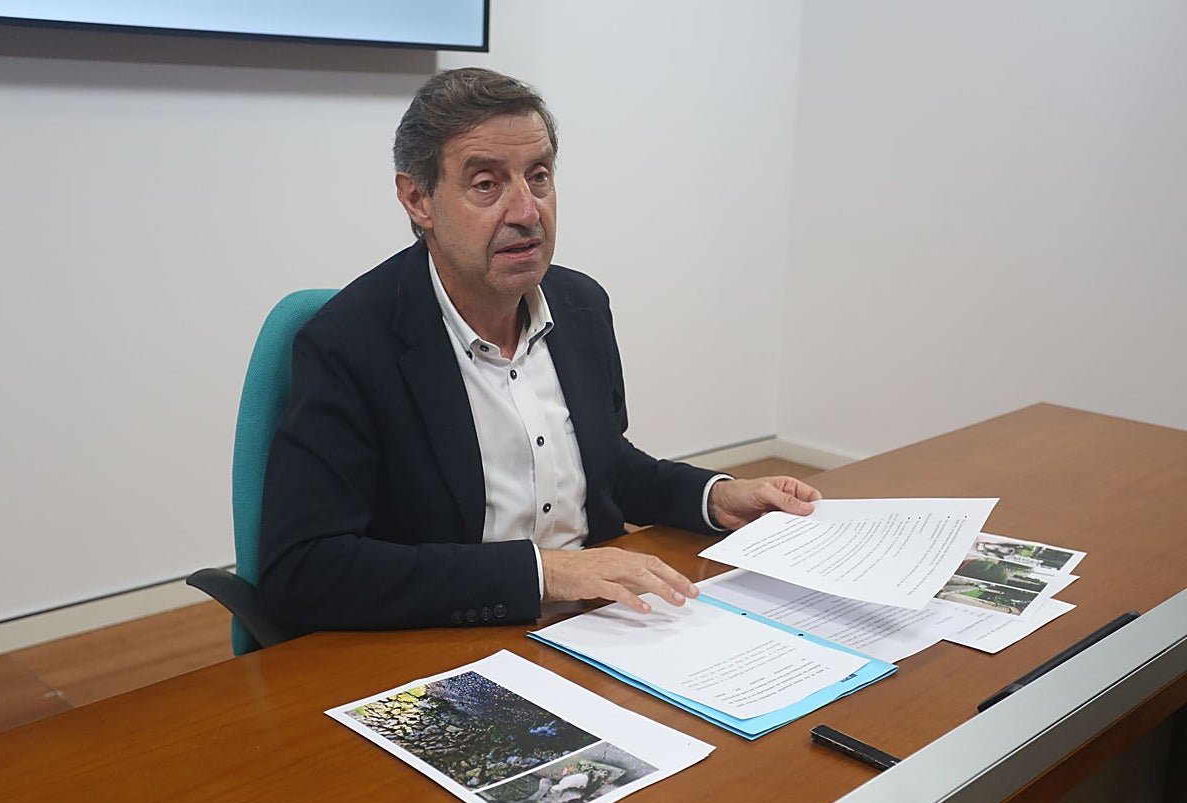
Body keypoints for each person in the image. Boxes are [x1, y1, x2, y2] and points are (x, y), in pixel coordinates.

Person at [258, 67, 821, 632]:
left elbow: (599, 466)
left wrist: (714, 496)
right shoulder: (348, 343)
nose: (527, 211)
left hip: (605, 624)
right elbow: (305, 569)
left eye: (540, 176)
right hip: (449, 640)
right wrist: (544, 575)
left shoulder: (580, 305)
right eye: (486, 184)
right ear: (418, 200)